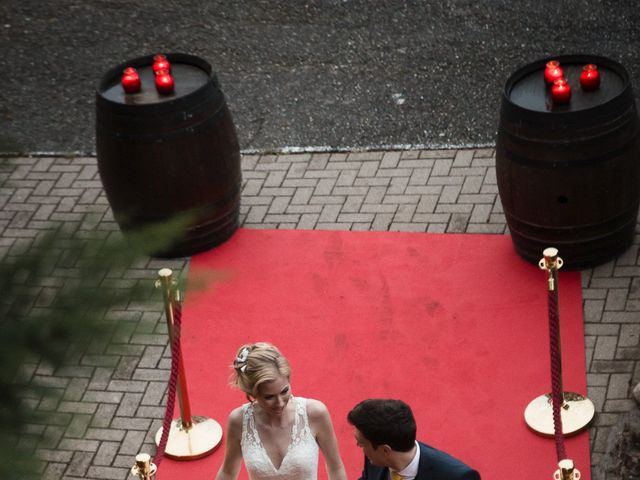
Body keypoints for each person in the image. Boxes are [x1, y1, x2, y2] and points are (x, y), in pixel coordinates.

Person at [215, 342, 347, 480]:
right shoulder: (239, 421)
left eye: (284, 391)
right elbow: (228, 472)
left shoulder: (315, 413)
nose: (280, 402)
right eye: (269, 397)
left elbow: (335, 467)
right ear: (253, 394)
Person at [347, 399, 480, 480]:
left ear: (385, 450)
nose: (358, 444)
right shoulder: (375, 460)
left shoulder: (457, 477)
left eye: (362, 443)